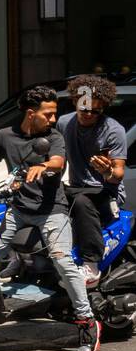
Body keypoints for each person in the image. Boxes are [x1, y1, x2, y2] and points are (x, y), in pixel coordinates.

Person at [0, 85, 99, 351]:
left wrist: (43, 166)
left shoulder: (54, 137)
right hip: (18, 208)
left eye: (54, 114)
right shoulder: (5, 136)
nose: (52, 119)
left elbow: (58, 162)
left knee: (62, 260)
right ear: (30, 113)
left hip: (52, 210)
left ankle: (86, 321)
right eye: (47, 114)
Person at [58, 74, 127, 288]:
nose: (88, 114)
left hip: (106, 191)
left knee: (81, 201)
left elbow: (118, 174)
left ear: (103, 109)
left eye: (95, 111)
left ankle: (91, 266)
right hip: (77, 187)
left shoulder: (113, 130)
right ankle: (22, 258)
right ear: (74, 103)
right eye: (84, 109)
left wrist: (107, 171)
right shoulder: (63, 123)